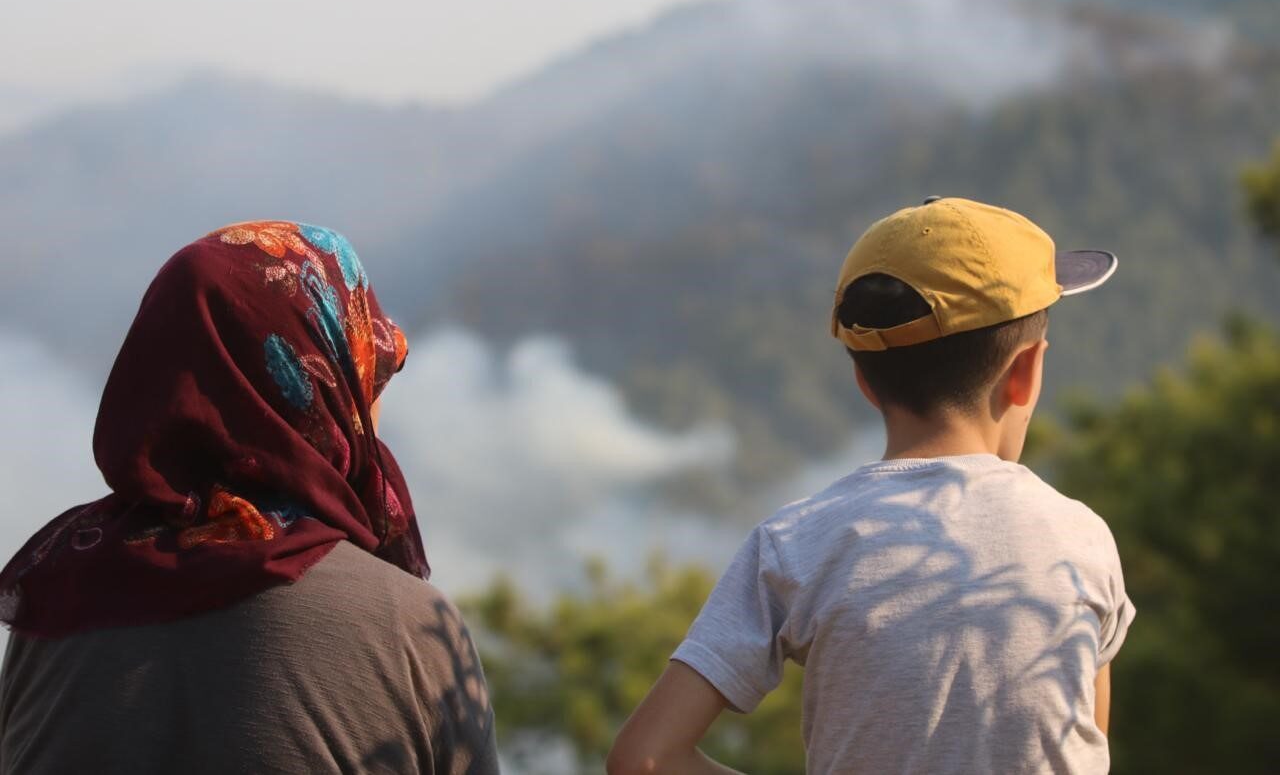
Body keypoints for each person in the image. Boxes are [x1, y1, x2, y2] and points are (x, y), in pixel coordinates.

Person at [609, 197, 1135, 774]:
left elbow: (646, 758)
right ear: (1026, 372)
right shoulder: (1082, 538)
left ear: (864, 379)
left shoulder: (793, 543)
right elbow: (1090, 748)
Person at [0, 221, 498, 774]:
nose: (376, 405)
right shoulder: (408, 629)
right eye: (371, 375)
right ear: (320, 386)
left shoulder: (52, 604)